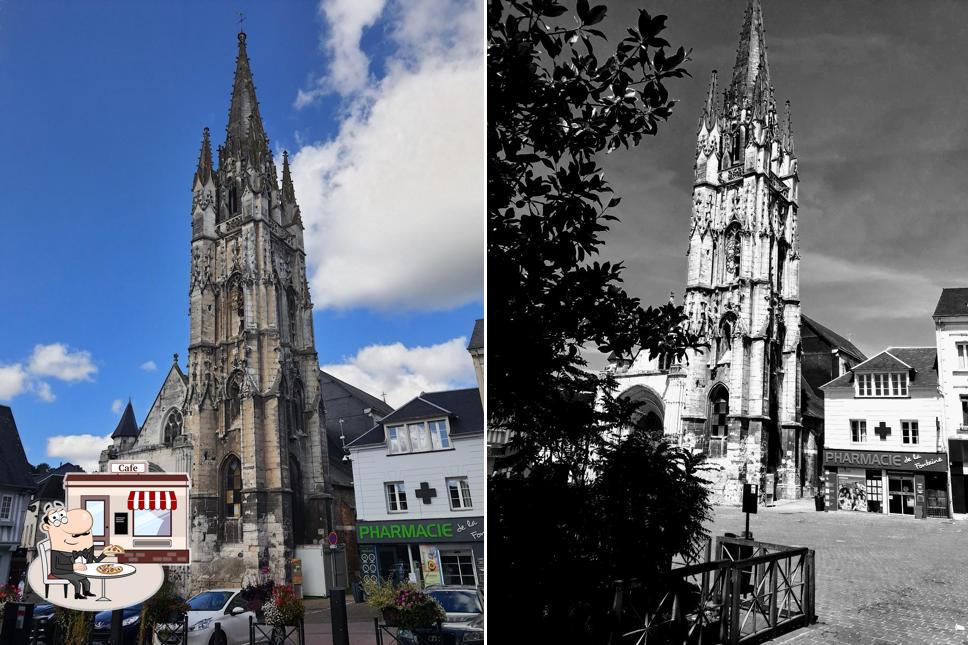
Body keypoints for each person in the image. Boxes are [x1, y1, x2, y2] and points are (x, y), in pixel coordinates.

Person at [40, 503, 121, 600]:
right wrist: (72, 567)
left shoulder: (85, 550)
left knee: (86, 581)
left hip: (76, 570)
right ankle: (77, 594)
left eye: (86, 533)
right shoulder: (58, 551)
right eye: (75, 535)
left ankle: (86, 592)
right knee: (76, 581)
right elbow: (56, 566)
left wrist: (104, 554)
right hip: (60, 572)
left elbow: (94, 562)